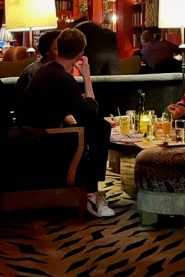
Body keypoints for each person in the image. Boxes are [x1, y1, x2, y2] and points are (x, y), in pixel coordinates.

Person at [17, 27, 115, 219]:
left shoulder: (47, 71)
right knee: (100, 127)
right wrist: (87, 76)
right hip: (43, 143)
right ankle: (91, 195)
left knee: (96, 127)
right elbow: (91, 113)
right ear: (80, 53)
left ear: (59, 47)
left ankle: (91, 192)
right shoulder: (62, 78)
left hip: (31, 138)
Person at [15, 29, 60, 100]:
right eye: (57, 49)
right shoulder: (33, 71)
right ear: (47, 51)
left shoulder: (63, 68)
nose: (62, 52)